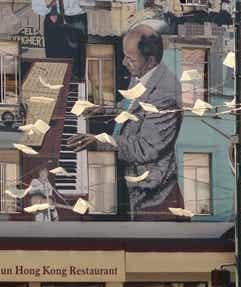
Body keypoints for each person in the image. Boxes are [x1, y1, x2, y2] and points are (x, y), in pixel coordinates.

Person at [72, 26, 182, 214]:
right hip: (133, 177)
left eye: (130, 58)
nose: (124, 62)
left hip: (152, 197)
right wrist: (104, 110)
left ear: (150, 61)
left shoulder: (165, 94)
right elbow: (132, 107)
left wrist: (100, 140)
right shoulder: (143, 74)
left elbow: (145, 148)